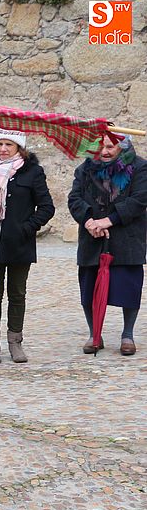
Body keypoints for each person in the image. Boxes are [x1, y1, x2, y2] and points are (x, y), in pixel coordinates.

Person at [0, 129, 55, 364]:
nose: (3, 149)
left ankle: (15, 341)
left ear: (19, 148)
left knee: (17, 294)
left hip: (20, 245)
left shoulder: (33, 172)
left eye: (9, 145)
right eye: (0, 144)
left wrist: (26, 228)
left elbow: (47, 207)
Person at [67, 134, 146, 356]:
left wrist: (109, 220)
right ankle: (95, 334)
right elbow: (74, 198)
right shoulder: (86, 168)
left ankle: (127, 335)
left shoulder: (140, 167)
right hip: (92, 236)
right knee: (89, 288)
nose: (104, 152)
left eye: (110, 147)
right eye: (100, 146)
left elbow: (140, 199)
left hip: (127, 237)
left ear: (122, 147)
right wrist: (89, 220)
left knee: (128, 287)